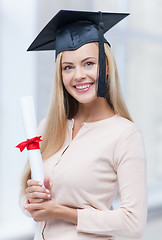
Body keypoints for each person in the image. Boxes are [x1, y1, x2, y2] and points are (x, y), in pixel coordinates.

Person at [20, 10, 147, 240]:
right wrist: (31, 199)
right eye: (68, 67)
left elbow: (134, 223)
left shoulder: (124, 135)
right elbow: (26, 205)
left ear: (106, 67)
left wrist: (63, 212)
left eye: (88, 63)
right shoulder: (47, 126)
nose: (78, 75)